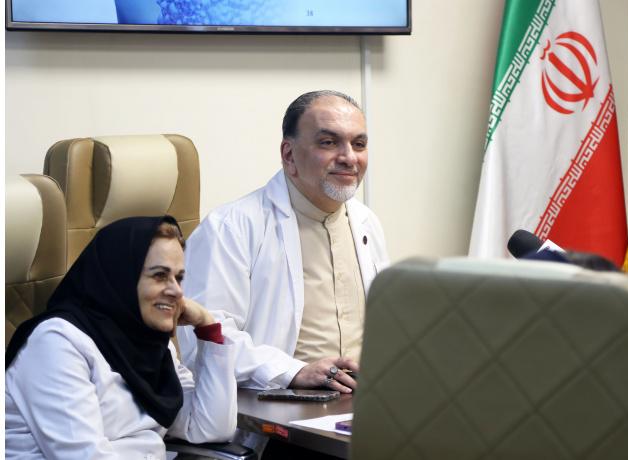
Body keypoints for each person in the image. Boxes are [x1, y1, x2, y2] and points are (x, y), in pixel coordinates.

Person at [179, 90, 390, 394]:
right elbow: (204, 339)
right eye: (328, 142)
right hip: (275, 404)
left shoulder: (367, 222)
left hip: (363, 400)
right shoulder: (230, 227)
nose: (348, 157)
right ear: (289, 155)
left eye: (359, 144)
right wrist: (293, 371)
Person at [5, 216, 238, 459]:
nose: (177, 291)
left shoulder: (150, 343)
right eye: (160, 275)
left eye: (178, 278)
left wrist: (207, 326)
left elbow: (210, 428)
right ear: (121, 276)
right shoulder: (56, 342)